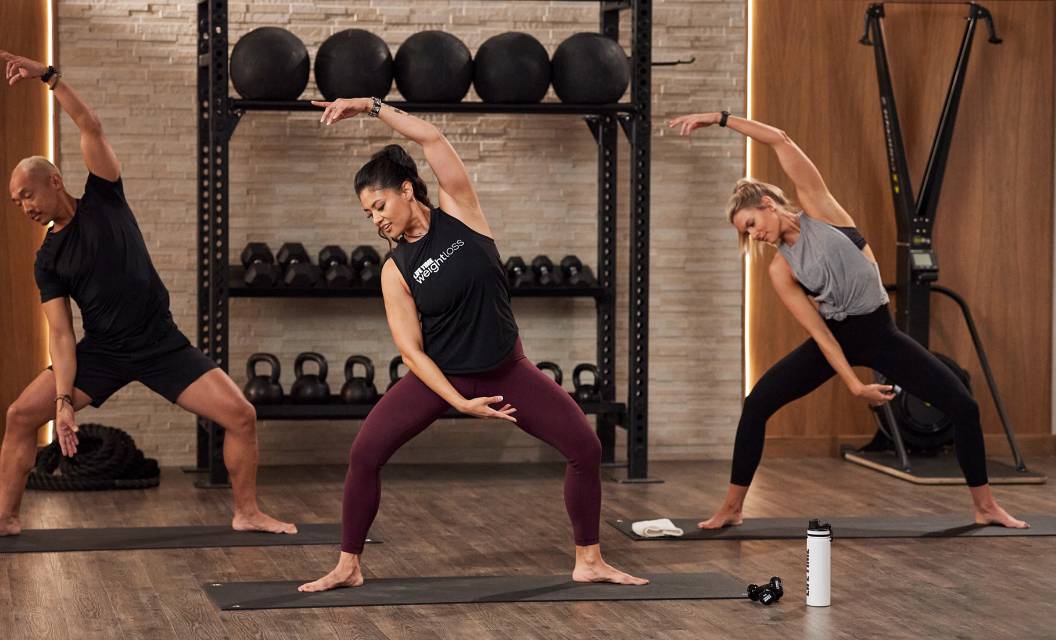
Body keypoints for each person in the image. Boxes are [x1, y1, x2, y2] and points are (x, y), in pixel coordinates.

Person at [298, 97, 648, 592]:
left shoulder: (460, 213)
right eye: (366, 214)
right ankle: (348, 564)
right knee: (365, 453)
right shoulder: (395, 270)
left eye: (379, 205)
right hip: (443, 376)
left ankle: (589, 559)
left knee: (585, 448)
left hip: (507, 370)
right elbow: (411, 352)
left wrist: (372, 106)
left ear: (405, 190)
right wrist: (458, 401)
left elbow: (432, 139)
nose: (375, 219)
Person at [0, 49, 296, 540]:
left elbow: (90, 126)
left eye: (27, 194)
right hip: (105, 352)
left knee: (241, 415)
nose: (23, 206)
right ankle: (5, 517)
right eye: (15, 202)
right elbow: (61, 335)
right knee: (20, 415)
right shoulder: (47, 259)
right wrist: (65, 400)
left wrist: (48, 77)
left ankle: (247, 511)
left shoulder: (105, 197)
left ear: (53, 181)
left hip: (160, 343)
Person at [666, 111, 1028, 530]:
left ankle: (985, 506)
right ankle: (731, 507)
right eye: (745, 234)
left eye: (750, 224)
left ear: (766, 204)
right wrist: (853, 383)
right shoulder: (781, 270)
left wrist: (721, 118)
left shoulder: (823, 213)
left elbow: (781, 138)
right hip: (836, 336)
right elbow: (820, 333)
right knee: (757, 404)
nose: (753, 235)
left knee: (963, 405)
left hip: (879, 333)